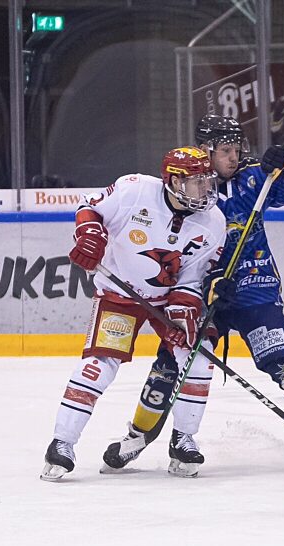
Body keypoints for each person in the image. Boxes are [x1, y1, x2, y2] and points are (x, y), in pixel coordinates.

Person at [105, 115, 284, 473]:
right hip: (197, 292)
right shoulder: (185, 185)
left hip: (254, 289)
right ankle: (138, 434)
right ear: (206, 150)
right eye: (226, 151)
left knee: (281, 358)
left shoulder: (255, 179)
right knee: (171, 364)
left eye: (237, 149)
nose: (235, 157)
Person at [41, 147, 227, 481]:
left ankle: (183, 439)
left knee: (199, 358)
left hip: (167, 301)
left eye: (206, 180)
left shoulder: (213, 222)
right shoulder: (134, 190)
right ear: (174, 181)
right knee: (98, 366)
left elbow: (191, 277)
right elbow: (89, 208)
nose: (205, 189)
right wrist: (90, 235)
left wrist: (183, 311)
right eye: (196, 181)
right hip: (119, 296)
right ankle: (62, 443)